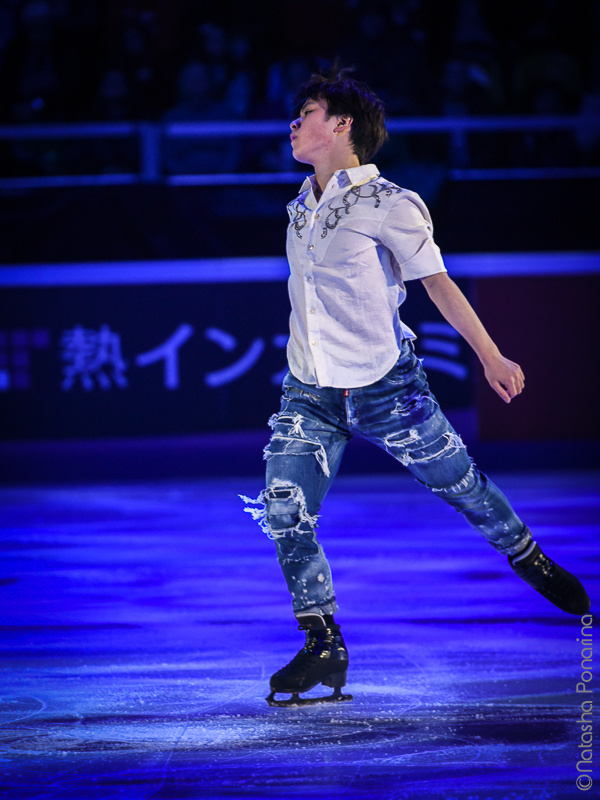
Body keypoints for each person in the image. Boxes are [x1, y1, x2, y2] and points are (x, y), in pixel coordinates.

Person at [241, 70, 590, 707]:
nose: (293, 123)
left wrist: (490, 355)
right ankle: (322, 642)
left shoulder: (391, 204)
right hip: (310, 393)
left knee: (460, 484)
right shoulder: (299, 207)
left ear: (342, 125)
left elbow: (436, 282)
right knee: (284, 508)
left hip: (386, 386)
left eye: (307, 112)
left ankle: (528, 556)